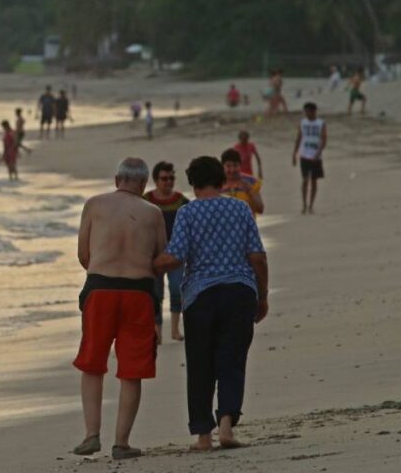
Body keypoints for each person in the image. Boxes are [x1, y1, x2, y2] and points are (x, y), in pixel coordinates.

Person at [154, 156, 268, 451]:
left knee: (200, 364)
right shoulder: (240, 208)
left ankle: (204, 436)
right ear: (220, 180)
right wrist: (263, 294)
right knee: (232, 360)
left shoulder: (187, 213)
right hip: (239, 291)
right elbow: (257, 256)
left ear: (192, 183)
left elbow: (176, 257)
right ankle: (227, 426)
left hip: (200, 297)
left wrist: (146, 265)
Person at [72, 158, 165, 460]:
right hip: (138, 292)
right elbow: (160, 257)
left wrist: (103, 270)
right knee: (132, 369)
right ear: (143, 183)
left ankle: (91, 434)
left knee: (92, 362)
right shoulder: (153, 212)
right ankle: (121, 443)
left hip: (100, 288)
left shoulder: (94, 205)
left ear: (117, 180)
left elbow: (83, 254)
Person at [143, 162, 189, 342]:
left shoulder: (182, 201)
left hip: (176, 252)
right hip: (153, 253)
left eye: (171, 178)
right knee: (156, 293)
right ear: (155, 180)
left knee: (177, 289)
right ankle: (157, 333)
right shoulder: (146, 201)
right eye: (164, 178)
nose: (168, 182)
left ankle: (175, 330)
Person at [293, 102, 327, 214]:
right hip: (304, 155)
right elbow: (299, 137)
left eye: (309, 111)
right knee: (305, 180)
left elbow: (324, 140)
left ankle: (311, 205)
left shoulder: (321, 123)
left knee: (314, 180)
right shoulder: (302, 123)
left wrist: (317, 154)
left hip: (316, 156)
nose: (307, 113)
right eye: (305, 111)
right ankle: (304, 205)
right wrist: (294, 153)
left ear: (314, 111)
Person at [221, 149, 264, 216]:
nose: (232, 170)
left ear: (240, 165)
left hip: (247, 225)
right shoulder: (217, 184)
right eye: (228, 166)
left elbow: (260, 209)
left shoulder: (252, 182)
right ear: (222, 166)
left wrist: (249, 191)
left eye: (235, 165)